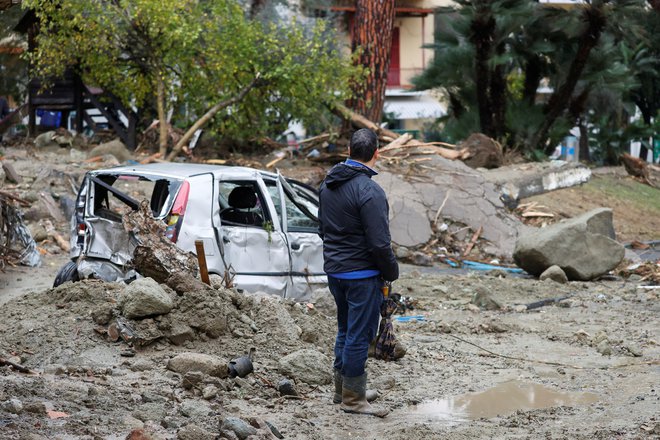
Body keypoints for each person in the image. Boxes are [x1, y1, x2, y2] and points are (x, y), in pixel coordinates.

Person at [318, 128, 399, 418]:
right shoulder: (370, 191)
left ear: (348, 151)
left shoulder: (327, 185)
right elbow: (379, 243)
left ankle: (345, 390)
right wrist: (392, 270)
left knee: (344, 329)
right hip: (361, 275)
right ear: (377, 154)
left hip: (335, 273)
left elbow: (322, 230)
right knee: (359, 335)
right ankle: (353, 399)